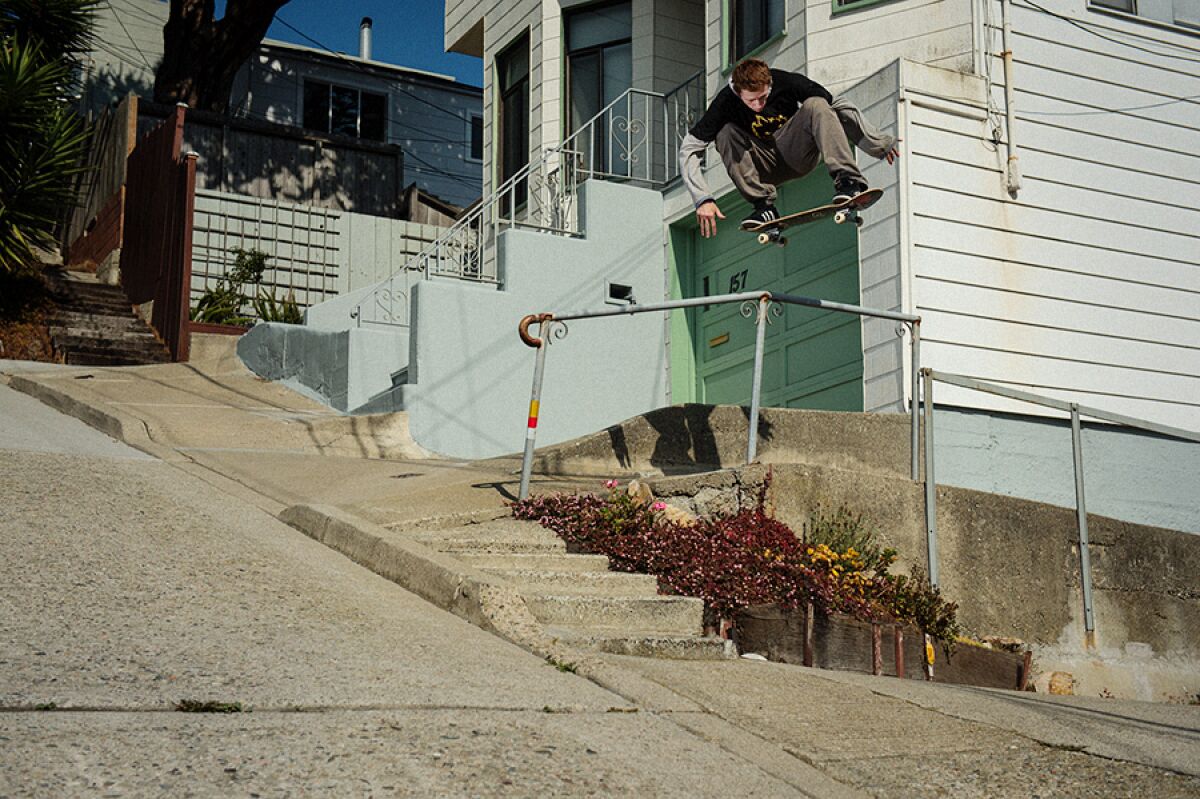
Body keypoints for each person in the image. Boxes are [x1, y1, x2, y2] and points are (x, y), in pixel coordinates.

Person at [678, 58, 900, 238]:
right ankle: (763, 206)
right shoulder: (724, 102)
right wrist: (703, 198)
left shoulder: (788, 82)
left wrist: (878, 144)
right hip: (762, 167)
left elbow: (839, 107)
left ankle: (849, 181)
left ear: (770, 84)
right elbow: (689, 148)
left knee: (817, 104)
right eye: (751, 101)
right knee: (724, 132)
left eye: (763, 97)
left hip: (797, 154)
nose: (758, 105)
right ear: (738, 92)